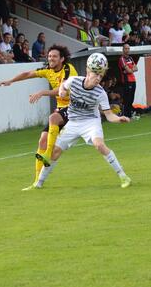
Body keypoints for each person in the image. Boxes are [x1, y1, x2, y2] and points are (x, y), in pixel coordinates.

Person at [25, 56, 132, 191]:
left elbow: (109, 115)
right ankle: (38, 184)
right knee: (54, 153)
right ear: (88, 71)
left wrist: (118, 119)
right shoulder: (74, 81)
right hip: (73, 123)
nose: (98, 78)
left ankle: (124, 177)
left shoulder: (101, 93)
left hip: (91, 122)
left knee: (99, 145)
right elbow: (63, 86)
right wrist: (63, 91)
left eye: (101, 75)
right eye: (96, 74)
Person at [0, 44, 77, 185]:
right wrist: (10, 81)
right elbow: (28, 74)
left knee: (53, 118)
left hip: (75, 107)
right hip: (61, 108)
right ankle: (36, 182)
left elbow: (62, 89)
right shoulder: (47, 70)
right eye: (50, 56)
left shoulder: (68, 69)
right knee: (42, 141)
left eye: (54, 56)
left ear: (62, 59)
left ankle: (47, 155)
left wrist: (42, 92)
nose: (51, 58)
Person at [118, 43, 138, 118]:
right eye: (126, 48)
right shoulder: (122, 59)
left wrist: (130, 70)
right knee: (127, 99)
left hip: (133, 80)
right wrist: (130, 70)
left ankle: (129, 114)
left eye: (128, 48)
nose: (127, 50)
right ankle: (126, 115)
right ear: (123, 50)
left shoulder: (130, 58)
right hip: (127, 81)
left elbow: (136, 68)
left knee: (131, 99)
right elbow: (129, 70)